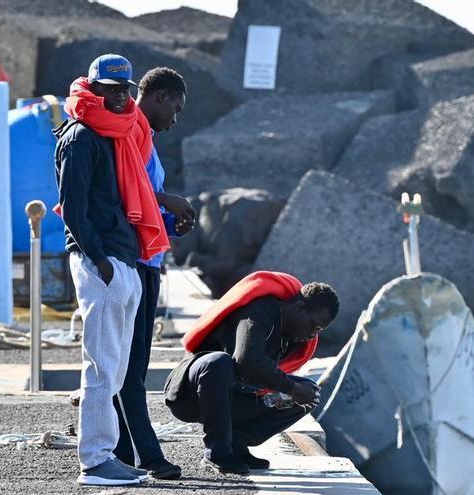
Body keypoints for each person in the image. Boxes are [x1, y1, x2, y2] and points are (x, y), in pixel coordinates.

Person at [54, 53, 169, 486]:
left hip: (122, 260)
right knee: (101, 368)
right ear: (94, 89)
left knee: (116, 369)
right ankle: (96, 462)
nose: (120, 96)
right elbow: (75, 211)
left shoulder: (114, 134)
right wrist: (101, 263)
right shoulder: (80, 136)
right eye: (111, 88)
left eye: (125, 88)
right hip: (102, 262)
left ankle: (107, 455)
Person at [164, 272, 338, 475]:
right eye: (314, 327)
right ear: (299, 308)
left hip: (234, 396)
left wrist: (297, 391)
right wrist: (291, 387)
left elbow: (262, 375)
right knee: (219, 362)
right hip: (191, 394)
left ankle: (236, 443)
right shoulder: (258, 311)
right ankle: (217, 451)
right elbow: (246, 360)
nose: (312, 336)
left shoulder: (291, 336)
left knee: (310, 393)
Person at [111, 67, 195, 480]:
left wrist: (169, 217)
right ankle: (147, 454)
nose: (175, 119)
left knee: (131, 362)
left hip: (148, 261)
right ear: (159, 96)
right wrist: (168, 200)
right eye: (175, 109)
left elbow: (143, 204)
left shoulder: (146, 140)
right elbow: (121, 189)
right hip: (135, 264)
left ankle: (124, 449)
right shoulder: (132, 135)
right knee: (131, 363)